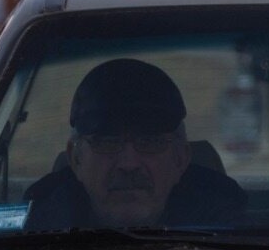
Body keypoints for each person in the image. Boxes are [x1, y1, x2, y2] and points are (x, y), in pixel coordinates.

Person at [24, 58, 247, 230]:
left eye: (150, 142)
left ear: (180, 159)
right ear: (76, 159)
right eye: (107, 142)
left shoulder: (243, 240)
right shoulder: (22, 243)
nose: (128, 164)